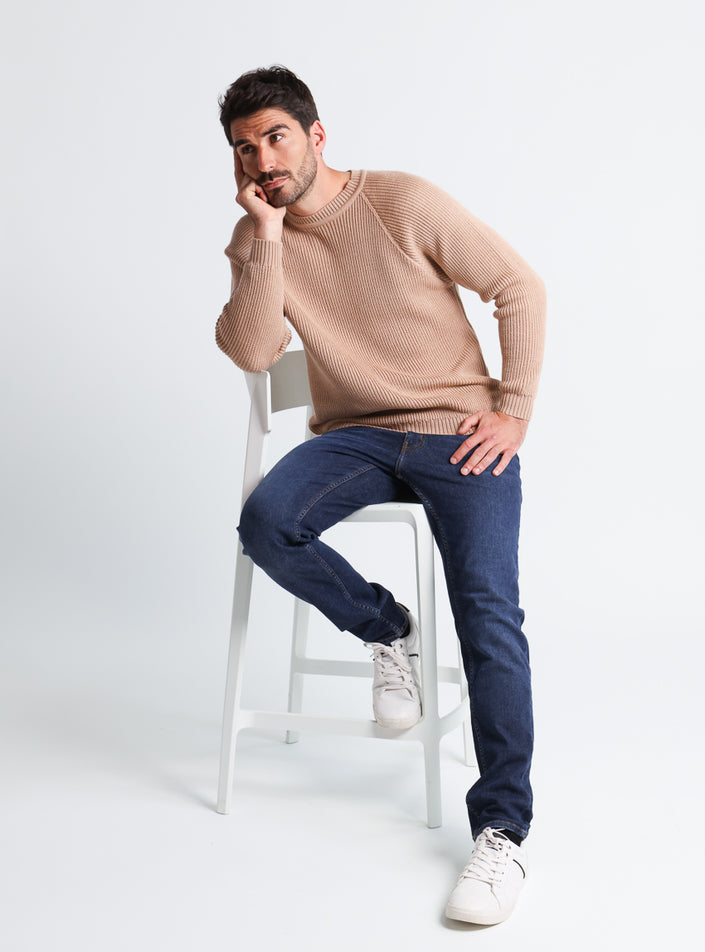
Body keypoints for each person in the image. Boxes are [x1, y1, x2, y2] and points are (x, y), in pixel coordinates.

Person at [215, 65, 546, 926]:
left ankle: (502, 830)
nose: (262, 161)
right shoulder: (257, 234)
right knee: (266, 522)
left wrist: (512, 409)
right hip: (356, 436)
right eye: (244, 149)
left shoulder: (402, 201)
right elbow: (251, 351)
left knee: (486, 610)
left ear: (316, 135)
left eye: (275, 138)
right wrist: (266, 237)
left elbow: (518, 287)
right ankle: (385, 629)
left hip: (457, 429)